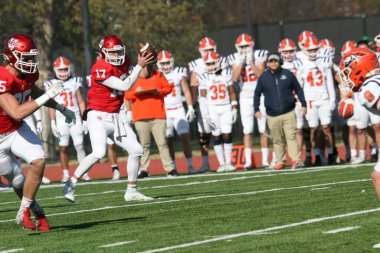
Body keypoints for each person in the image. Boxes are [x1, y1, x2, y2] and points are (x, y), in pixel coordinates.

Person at [63, 35, 154, 202]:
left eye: (119, 52)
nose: (116, 55)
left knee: (136, 150)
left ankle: (131, 190)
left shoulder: (125, 61)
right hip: (98, 115)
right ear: (103, 53)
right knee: (99, 152)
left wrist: (148, 62)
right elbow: (125, 85)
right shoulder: (99, 67)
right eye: (112, 53)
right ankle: (70, 183)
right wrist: (139, 66)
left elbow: (145, 75)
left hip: (117, 115)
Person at [0, 33, 76, 231]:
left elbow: (35, 93)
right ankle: (38, 211)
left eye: (32, 56)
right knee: (16, 180)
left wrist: (60, 108)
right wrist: (48, 96)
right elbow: (16, 112)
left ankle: (24, 209)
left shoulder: (27, 74)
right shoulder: (2, 77)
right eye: (25, 57)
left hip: (15, 129)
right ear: (10, 57)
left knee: (38, 160)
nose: (31, 61)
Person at [124, 42, 177, 178]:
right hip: (140, 116)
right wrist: (137, 92)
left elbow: (168, 88)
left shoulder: (158, 74)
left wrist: (158, 91)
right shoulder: (134, 76)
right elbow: (127, 94)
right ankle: (144, 170)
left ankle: (170, 168)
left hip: (158, 115)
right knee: (144, 145)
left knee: (162, 144)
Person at [337, 47, 380, 199]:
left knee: (377, 177)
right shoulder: (374, 80)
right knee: (376, 175)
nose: (346, 77)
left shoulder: (368, 88)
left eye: (348, 72)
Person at [254, 53, 306, 170]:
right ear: (268, 63)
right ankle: (280, 161)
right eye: (271, 61)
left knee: (291, 137)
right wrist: (256, 109)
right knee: (277, 140)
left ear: (280, 62)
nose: (273, 63)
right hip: (272, 114)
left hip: (289, 112)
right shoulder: (263, 77)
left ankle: (296, 160)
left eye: (276, 61)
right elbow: (257, 94)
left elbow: (298, 89)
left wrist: (304, 104)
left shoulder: (287, 74)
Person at [45, 56, 91, 183]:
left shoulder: (75, 81)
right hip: (60, 119)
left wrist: (85, 119)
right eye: (60, 70)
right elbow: (51, 105)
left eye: (65, 69)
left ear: (69, 68)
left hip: (75, 117)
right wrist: (53, 122)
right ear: (55, 70)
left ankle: (84, 172)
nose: (63, 72)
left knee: (79, 145)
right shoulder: (50, 84)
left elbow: (81, 102)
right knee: (63, 147)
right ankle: (65, 173)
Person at [188, 37, 229, 172]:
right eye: (206, 50)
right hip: (204, 101)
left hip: (219, 101)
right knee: (204, 132)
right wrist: (193, 104)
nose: (208, 52)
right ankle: (206, 162)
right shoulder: (195, 64)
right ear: (200, 50)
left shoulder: (221, 60)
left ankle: (226, 162)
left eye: (211, 49)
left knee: (223, 131)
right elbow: (194, 85)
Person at [228, 33, 269, 169]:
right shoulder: (234, 57)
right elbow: (234, 78)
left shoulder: (260, 55)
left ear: (252, 45)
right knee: (248, 130)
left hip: (261, 95)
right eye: (242, 46)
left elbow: (261, 75)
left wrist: (251, 62)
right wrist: (241, 62)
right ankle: (248, 162)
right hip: (245, 96)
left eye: (247, 45)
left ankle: (265, 161)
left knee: (263, 129)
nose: (245, 48)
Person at [297, 37, 336, 166]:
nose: (313, 52)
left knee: (326, 127)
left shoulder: (324, 61)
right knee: (313, 128)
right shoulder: (301, 64)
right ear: (305, 50)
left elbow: (329, 82)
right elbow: (299, 86)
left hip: (323, 98)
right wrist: (301, 102)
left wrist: (333, 100)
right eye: (310, 50)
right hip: (310, 100)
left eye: (315, 49)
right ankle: (318, 155)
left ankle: (331, 154)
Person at [157, 50, 196, 174]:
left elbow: (187, 91)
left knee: (184, 137)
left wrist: (190, 107)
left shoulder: (179, 72)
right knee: (168, 140)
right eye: (162, 63)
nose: (165, 66)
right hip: (165, 111)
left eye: (167, 62)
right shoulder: (156, 75)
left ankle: (190, 166)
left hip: (178, 109)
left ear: (172, 61)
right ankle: (172, 168)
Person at [199, 52, 238, 172]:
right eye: (208, 63)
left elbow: (231, 92)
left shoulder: (226, 73)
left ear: (219, 62)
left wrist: (234, 107)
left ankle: (228, 162)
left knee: (227, 133)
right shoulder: (203, 77)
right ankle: (221, 163)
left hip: (225, 106)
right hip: (213, 108)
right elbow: (203, 97)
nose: (211, 66)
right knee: (216, 134)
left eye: (213, 63)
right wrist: (206, 114)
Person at [86, 74, 121, 180]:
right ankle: (114, 169)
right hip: (102, 114)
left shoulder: (120, 73)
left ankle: (136, 169)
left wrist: (128, 110)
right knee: (100, 150)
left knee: (133, 147)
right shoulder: (93, 77)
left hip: (118, 111)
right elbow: (90, 97)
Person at [23, 108, 51, 184]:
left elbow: (31, 102)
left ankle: (38, 175)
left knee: (36, 148)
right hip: (11, 123)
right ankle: (16, 176)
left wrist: (39, 120)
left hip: (27, 120)